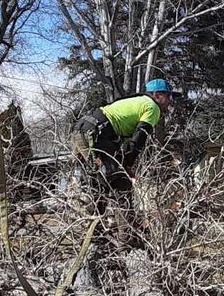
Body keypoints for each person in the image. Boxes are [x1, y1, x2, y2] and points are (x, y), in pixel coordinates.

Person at [72, 79, 176, 211]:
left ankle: (98, 225)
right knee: (120, 181)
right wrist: (126, 166)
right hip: (96, 133)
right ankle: (127, 228)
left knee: (97, 182)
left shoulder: (137, 101)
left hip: (81, 130)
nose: (170, 101)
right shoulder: (152, 107)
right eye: (168, 96)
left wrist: (124, 163)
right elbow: (139, 139)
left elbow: (124, 144)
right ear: (156, 95)